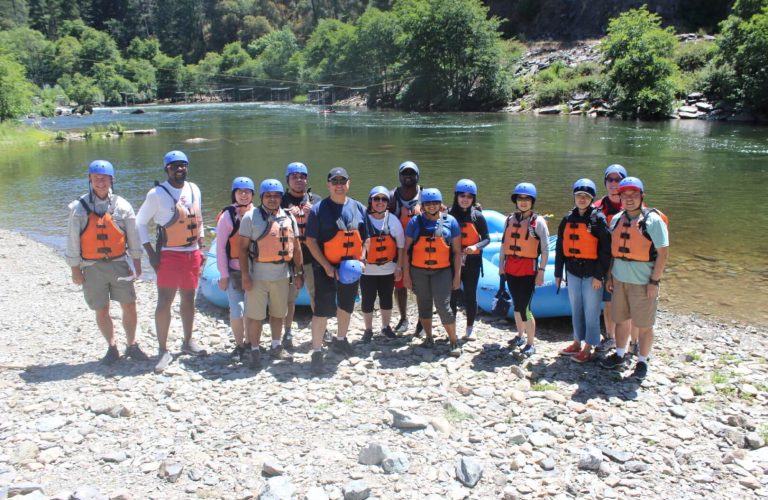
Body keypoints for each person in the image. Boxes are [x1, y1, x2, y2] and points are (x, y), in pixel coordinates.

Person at [66, 160, 148, 365]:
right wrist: (75, 269)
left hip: (119, 263)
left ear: (112, 180)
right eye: (96, 178)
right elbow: (73, 240)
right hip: (91, 267)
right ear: (90, 179)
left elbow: (133, 237)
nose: (101, 182)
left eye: (105, 179)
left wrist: (137, 262)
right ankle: (112, 347)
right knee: (101, 309)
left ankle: (132, 344)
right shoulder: (79, 208)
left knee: (129, 305)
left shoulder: (123, 205)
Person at [136, 150, 206, 374]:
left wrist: (201, 245)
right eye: (174, 166)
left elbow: (198, 218)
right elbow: (139, 223)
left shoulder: (194, 189)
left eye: (183, 165)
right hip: (169, 253)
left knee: (189, 297)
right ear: (166, 169)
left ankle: (187, 341)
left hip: (192, 252)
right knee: (165, 300)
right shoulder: (156, 194)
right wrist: (150, 253)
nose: (179, 169)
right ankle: (163, 349)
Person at [600, 177, 669, 381]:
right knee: (620, 320)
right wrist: (610, 276)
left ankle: (642, 361)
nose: (629, 199)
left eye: (634, 195)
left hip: (643, 282)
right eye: (625, 195)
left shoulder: (653, 221)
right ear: (620, 197)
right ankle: (620, 354)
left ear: (641, 196)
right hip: (620, 279)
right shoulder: (616, 219)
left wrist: (654, 282)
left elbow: (663, 253)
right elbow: (614, 252)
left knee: (644, 325)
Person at [304, 167, 368, 374]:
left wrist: (362, 259)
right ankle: (316, 351)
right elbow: (311, 241)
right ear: (328, 185)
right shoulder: (318, 209)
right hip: (326, 268)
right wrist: (326, 266)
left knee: (347, 306)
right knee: (322, 311)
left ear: (348, 183)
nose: (339, 185)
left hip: (351, 269)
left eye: (343, 181)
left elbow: (366, 238)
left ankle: (341, 340)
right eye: (335, 181)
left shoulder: (358, 207)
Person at [238, 179, 303, 370]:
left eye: (276, 196)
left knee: (278, 313)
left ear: (281, 197)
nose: (272, 199)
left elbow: (296, 248)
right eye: (268, 196)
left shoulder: (289, 218)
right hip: (258, 275)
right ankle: (255, 350)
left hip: (282, 275)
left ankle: (276, 345)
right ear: (262, 197)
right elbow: (242, 250)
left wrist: (299, 273)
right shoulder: (250, 217)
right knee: (256, 316)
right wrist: (245, 275)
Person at [554, 179, 612, 363]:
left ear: (591, 199)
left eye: (586, 196)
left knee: (591, 311)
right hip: (573, 271)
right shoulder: (567, 219)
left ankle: (589, 346)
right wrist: (558, 273)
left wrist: (599, 275)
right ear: (574, 197)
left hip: (592, 273)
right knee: (576, 308)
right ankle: (577, 342)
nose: (582, 199)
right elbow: (560, 247)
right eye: (579, 195)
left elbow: (606, 250)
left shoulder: (598, 219)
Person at [402, 188, 463, 357]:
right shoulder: (415, 222)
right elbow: (406, 250)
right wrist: (406, 274)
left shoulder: (451, 222)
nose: (431, 206)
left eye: (435, 203)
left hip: (442, 271)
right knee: (424, 304)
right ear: (423, 205)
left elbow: (457, 252)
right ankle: (429, 337)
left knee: (443, 305)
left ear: (440, 204)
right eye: (428, 203)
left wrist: (457, 276)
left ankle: (453, 340)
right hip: (418, 271)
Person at [500, 182, 550, 357]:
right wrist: (501, 267)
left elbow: (545, 249)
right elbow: (503, 246)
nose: (523, 202)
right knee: (516, 304)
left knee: (525, 307)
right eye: (520, 199)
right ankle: (520, 336)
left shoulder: (538, 223)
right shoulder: (509, 220)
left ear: (532, 201)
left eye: (527, 199)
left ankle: (531, 344)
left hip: (528, 270)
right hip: (512, 268)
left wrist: (541, 271)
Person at [280, 162, 322, 349]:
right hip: (289, 258)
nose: (298, 180)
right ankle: (287, 332)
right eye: (294, 176)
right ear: (288, 180)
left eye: (302, 176)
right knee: (289, 298)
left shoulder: (317, 201)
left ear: (306, 179)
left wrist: (314, 214)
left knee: (315, 295)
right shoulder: (278, 201)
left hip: (312, 256)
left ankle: (320, 329)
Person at [215, 177, 254, 361]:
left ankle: (249, 342)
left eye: (247, 191)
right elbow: (221, 247)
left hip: (253, 270)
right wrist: (223, 275)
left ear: (253, 194)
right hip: (234, 270)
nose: (244, 195)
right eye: (240, 191)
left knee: (251, 310)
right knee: (237, 310)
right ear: (234, 194)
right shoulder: (227, 217)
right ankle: (239, 345)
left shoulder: (258, 214)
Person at [360, 186, 405, 343]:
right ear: (370, 201)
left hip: (388, 269)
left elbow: (400, 246)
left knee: (386, 298)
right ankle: (368, 329)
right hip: (367, 270)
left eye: (384, 199)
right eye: (376, 199)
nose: (380, 202)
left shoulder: (393, 220)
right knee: (367, 299)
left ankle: (386, 327)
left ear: (388, 202)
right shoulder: (362, 218)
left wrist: (399, 267)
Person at [447, 179, 490, 341]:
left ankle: (470, 328)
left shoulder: (477, 216)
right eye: (462, 196)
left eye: (469, 197)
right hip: (453, 261)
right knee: (452, 295)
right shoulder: (449, 215)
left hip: (472, 261)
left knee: (470, 295)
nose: (465, 199)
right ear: (457, 196)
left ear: (473, 198)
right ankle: (451, 328)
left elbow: (487, 238)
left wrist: (476, 246)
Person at [593, 164, 626, 352]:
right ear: (605, 182)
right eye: (610, 180)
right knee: (608, 303)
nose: (614, 184)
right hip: (605, 262)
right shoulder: (597, 207)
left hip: (625, 262)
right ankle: (610, 337)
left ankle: (633, 343)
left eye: (618, 179)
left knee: (627, 305)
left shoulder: (633, 206)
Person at [388, 161, 422, 334]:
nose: (408, 176)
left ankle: (422, 321)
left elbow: (443, 212)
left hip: (420, 250)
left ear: (418, 176)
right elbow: (375, 212)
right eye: (404, 173)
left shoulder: (425, 195)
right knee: (399, 285)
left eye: (412, 173)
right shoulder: (391, 197)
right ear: (400, 176)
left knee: (422, 287)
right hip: (398, 250)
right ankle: (403, 318)